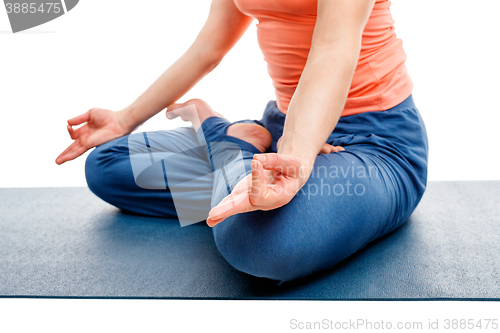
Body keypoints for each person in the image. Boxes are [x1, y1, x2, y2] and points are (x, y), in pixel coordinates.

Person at [56, 0, 428, 285]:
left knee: (253, 242)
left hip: (371, 144)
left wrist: (295, 156)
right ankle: (242, 153)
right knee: (107, 165)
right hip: (285, 131)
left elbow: (335, 47)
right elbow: (209, 46)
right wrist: (124, 118)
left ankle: (227, 142)